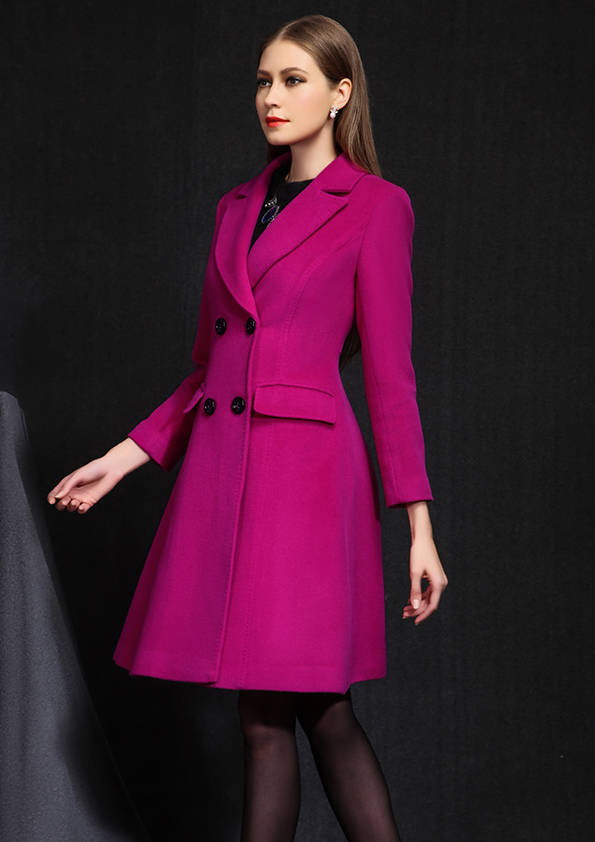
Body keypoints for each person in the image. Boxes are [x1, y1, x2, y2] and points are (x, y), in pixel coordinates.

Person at [47, 14, 448, 842]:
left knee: (317, 706)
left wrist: (418, 526)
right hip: (227, 477)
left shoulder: (376, 207)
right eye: (264, 80)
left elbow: (389, 377)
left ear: (339, 94)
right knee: (263, 717)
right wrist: (122, 458)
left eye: (294, 80)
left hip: (306, 483)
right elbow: (211, 370)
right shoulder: (236, 207)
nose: (272, 96)